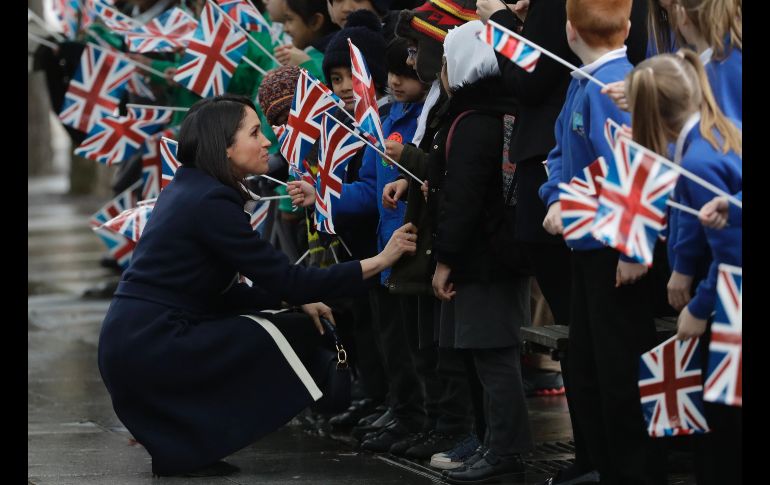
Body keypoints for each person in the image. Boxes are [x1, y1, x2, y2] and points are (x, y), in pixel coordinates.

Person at [97, 94, 418, 477]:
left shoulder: (192, 189)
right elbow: (289, 280)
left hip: (134, 343)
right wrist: (379, 261)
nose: (267, 141)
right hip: (153, 346)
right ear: (226, 147)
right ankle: (192, 441)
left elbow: (222, 290)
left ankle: (188, 447)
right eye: (254, 132)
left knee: (292, 320)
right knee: (295, 335)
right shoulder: (210, 201)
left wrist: (296, 298)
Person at [538, 0, 666, 483]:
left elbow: (637, 164)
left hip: (615, 253)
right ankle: (608, 468)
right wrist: (553, 199)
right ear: (628, 27)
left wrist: (635, 247)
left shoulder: (615, 89)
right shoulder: (581, 84)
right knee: (591, 366)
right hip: (586, 250)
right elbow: (559, 156)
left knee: (622, 377)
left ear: (569, 30)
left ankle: (636, 473)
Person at [625, 49, 741, 485]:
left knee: (719, 426)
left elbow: (732, 253)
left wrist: (699, 307)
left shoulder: (696, 162)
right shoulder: (718, 134)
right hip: (725, 303)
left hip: (725, 307)